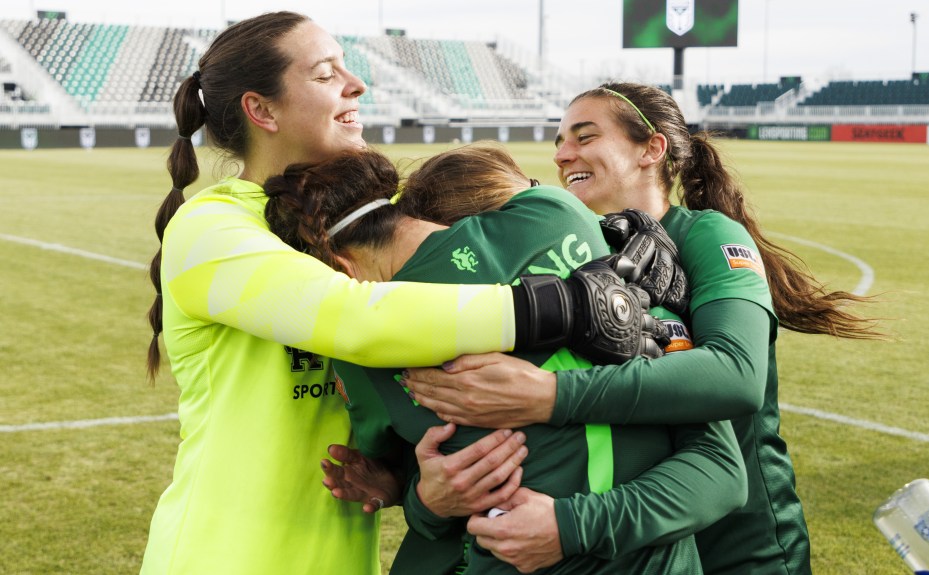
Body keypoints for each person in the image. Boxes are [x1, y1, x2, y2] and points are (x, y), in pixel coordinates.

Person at [138, 12, 667, 574]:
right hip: (226, 556)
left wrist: (407, 485)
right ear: (262, 110)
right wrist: (564, 304)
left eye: (347, 66)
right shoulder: (211, 229)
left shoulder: (369, 217)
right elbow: (357, 321)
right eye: (325, 74)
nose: (357, 84)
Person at [400, 82, 885, 575]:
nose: (563, 155)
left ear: (651, 149)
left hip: (738, 545)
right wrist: (408, 488)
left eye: (585, 137)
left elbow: (736, 374)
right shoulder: (579, 251)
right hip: (640, 544)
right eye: (560, 143)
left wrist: (549, 394)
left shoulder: (707, 234)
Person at [265, 144, 747, 574]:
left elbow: (389, 458)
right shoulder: (554, 209)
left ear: (341, 267)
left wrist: (412, 495)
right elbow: (722, 468)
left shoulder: (361, 348)